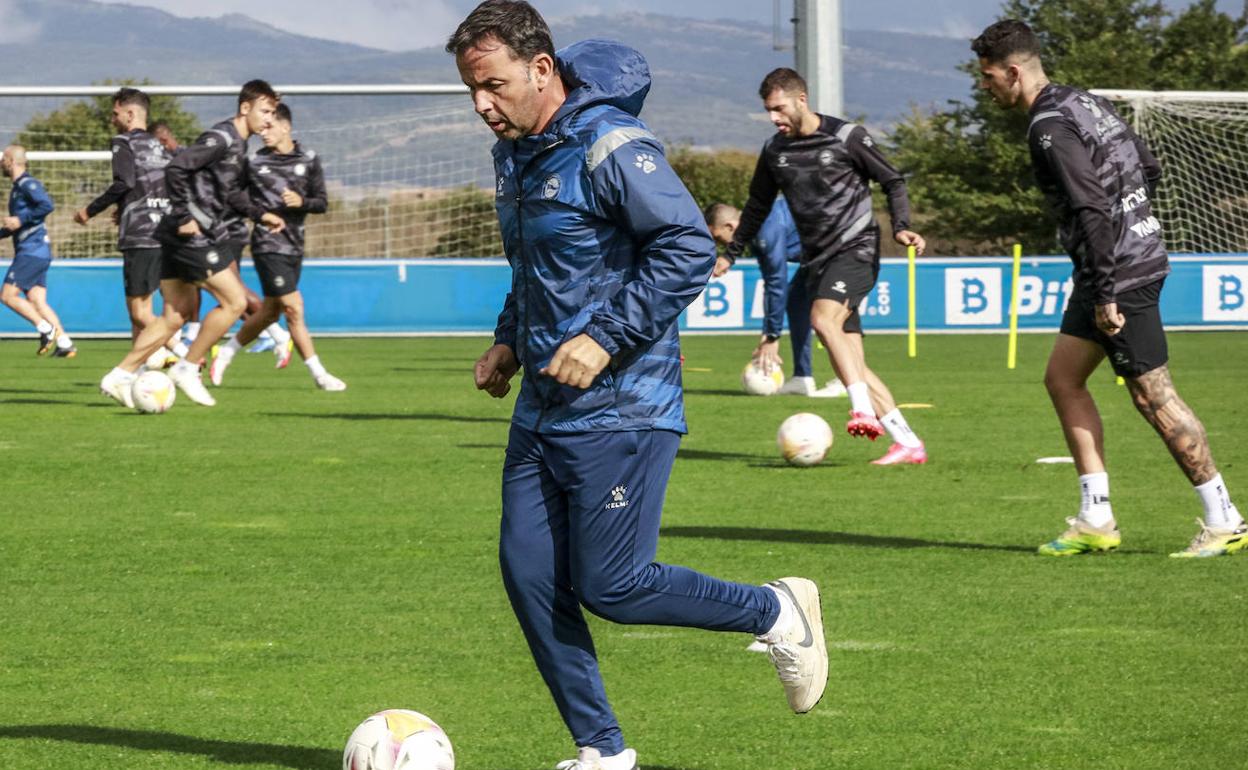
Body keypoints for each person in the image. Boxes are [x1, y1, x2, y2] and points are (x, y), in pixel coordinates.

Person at [447, 3, 828, 769]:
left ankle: (776, 610)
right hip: (544, 409)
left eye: (493, 85)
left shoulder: (612, 145)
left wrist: (603, 338)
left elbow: (688, 245)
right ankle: (603, 751)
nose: (483, 105)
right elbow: (539, 269)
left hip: (625, 405)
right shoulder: (514, 154)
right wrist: (507, 339)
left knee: (613, 586)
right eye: (472, 91)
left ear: (542, 68)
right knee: (528, 578)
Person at [973, 20, 1245, 558]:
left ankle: (1225, 517)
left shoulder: (1047, 126)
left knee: (1153, 395)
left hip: (1118, 276)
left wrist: (1104, 291)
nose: (986, 88)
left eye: (987, 78)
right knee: (1062, 379)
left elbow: (1091, 206)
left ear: (1011, 71)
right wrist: (1130, 226)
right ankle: (1096, 516)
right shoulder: (1084, 101)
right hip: (1120, 264)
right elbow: (1148, 166)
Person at [725, 67, 927, 465]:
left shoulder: (846, 137)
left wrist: (902, 227)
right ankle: (907, 442)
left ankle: (861, 411)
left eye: (779, 108)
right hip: (819, 259)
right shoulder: (775, 152)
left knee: (823, 320)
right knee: (851, 358)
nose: (773, 118)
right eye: (768, 110)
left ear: (802, 100)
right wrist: (730, 253)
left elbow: (893, 180)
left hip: (856, 249)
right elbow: (756, 207)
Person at [99, 79, 281, 408]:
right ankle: (187, 367)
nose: (270, 119)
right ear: (245, 108)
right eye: (266, 111)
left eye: (274, 113)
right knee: (235, 301)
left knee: (174, 317)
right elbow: (177, 167)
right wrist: (184, 216)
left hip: (172, 233)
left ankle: (119, 375)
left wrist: (260, 214)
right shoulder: (221, 137)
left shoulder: (239, 145)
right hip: (187, 234)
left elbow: (233, 194)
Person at [209, 102, 345, 391]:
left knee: (270, 312)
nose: (264, 132)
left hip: (295, 245)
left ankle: (226, 353)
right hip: (267, 244)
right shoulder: (255, 162)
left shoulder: (308, 159)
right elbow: (233, 195)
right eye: (263, 127)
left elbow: (321, 202)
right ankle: (320, 375)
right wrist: (260, 215)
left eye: (270, 126)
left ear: (286, 127)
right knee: (294, 308)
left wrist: (302, 202)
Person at [73, 87, 185, 362]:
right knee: (139, 315)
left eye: (115, 113)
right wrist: (125, 206)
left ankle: (186, 355)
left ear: (130, 112)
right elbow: (163, 185)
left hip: (140, 235)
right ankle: (135, 373)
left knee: (139, 312)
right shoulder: (162, 147)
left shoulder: (123, 142)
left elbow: (125, 182)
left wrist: (90, 210)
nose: (113, 120)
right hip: (166, 234)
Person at [705, 198, 846, 397]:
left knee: (827, 318)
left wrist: (772, 336)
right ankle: (802, 378)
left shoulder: (765, 229)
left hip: (844, 251)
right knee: (796, 302)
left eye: (720, 238)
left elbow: (776, 280)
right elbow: (770, 284)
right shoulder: (756, 231)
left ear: (730, 226)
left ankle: (847, 380)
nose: (722, 245)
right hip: (817, 257)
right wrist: (768, 332)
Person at [0, 145, 76, 357]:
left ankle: (45, 329)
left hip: (32, 251)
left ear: (11, 161)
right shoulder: (17, 188)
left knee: (7, 296)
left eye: (3, 158)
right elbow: (18, 224)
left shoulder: (27, 183)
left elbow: (46, 205)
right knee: (37, 300)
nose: (1, 163)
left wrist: (20, 219)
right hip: (37, 251)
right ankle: (64, 342)